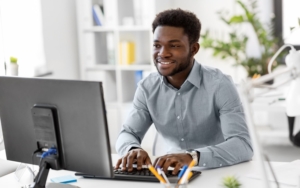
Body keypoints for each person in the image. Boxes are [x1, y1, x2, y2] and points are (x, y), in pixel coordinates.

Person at [115, 8, 253, 175]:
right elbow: (128, 133)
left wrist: (192, 157)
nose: (163, 53)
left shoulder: (219, 84)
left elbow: (242, 145)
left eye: (174, 45)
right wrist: (132, 148)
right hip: (168, 175)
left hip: (216, 172)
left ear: (194, 49)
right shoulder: (147, 87)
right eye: (157, 45)